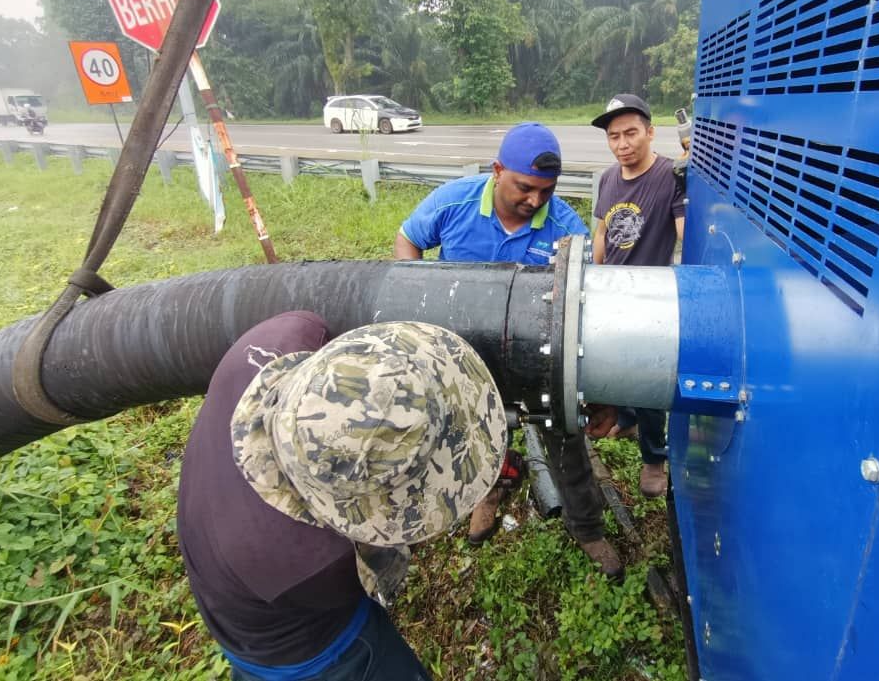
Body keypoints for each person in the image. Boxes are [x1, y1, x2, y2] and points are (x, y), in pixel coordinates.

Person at [177, 312, 508, 680]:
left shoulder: (287, 336)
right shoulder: (323, 562)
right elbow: (390, 542)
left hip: (214, 532)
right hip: (308, 654)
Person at [394, 122, 625, 579]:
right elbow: (408, 241)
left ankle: (587, 528)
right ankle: (489, 490)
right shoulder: (452, 203)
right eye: (525, 187)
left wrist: (602, 394)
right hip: (465, 352)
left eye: (547, 190)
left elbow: (591, 306)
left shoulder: (565, 228)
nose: (536, 201)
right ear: (498, 171)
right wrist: (415, 298)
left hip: (536, 356)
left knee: (566, 441)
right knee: (475, 431)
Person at [590, 94, 686, 499]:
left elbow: (684, 233)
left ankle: (653, 458)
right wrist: (591, 280)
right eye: (614, 136)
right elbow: (601, 232)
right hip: (610, 291)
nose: (622, 144)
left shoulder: (672, 175)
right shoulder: (610, 177)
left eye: (631, 133)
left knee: (648, 381)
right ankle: (623, 419)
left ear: (650, 131)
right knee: (608, 362)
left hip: (650, 298)